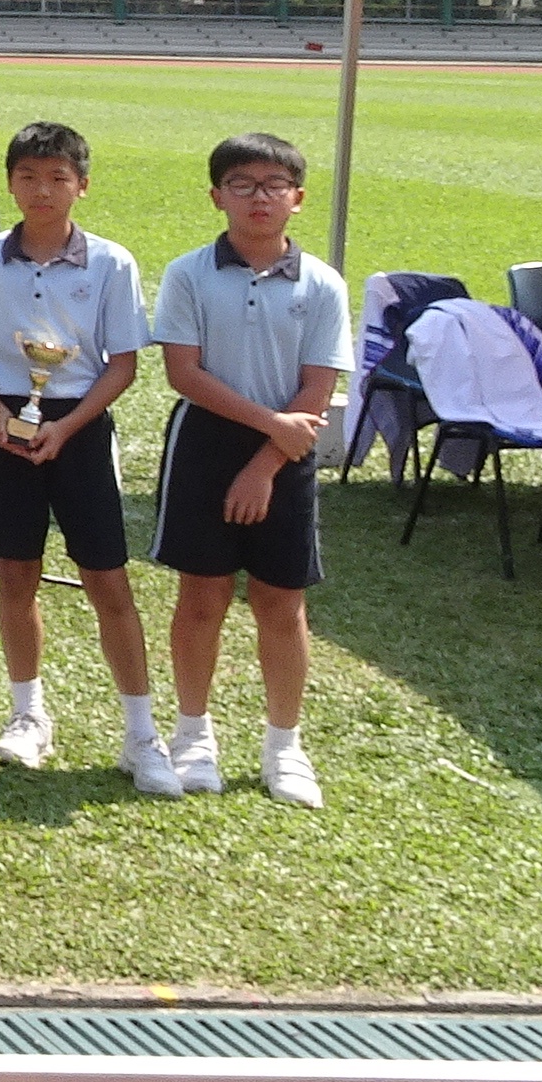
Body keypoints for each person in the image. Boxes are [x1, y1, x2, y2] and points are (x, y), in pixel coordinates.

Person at [0, 119, 179, 794]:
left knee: (107, 579)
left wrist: (66, 430)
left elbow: (123, 364)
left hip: (80, 425)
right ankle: (27, 715)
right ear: (11, 183)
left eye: (58, 178)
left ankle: (141, 734)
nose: (42, 190)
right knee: (15, 573)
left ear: (82, 186)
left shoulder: (112, 262)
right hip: (7, 421)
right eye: (28, 177)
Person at [147, 132, 348, 809]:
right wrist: (268, 428)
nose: (259, 197)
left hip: (288, 449)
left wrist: (267, 462)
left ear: (298, 198)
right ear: (217, 197)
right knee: (201, 597)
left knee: (280, 602)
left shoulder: (321, 283)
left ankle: (284, 746)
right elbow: (184, 373)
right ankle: (192, 736)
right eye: (242, 184)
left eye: (273, 185)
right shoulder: (189, 273)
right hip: (208, 441)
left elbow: (317, 385)